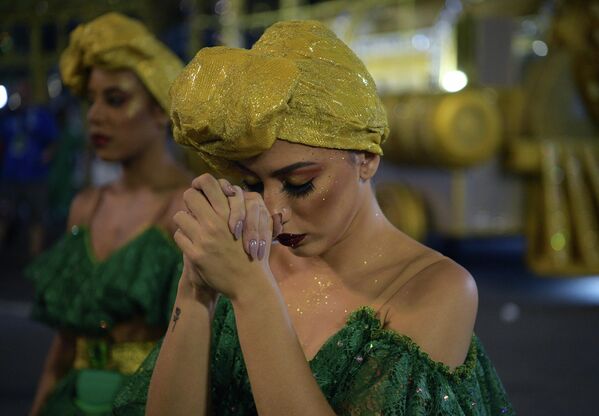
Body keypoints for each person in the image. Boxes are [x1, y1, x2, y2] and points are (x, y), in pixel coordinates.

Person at [115, 20, 513, 415]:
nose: (273, 212)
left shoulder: (437, 289)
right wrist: (194, 287)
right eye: (254, 184)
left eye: (299, 183)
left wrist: (253, 294)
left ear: (367, 158)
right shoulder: (252, 260)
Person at [26, 12, 191, 416]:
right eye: (91, 99)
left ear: (159, 109)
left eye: (115, 99)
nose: (95, 114)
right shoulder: (86, 206)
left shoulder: (189, 206)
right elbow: (66, 342)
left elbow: (196, 347)